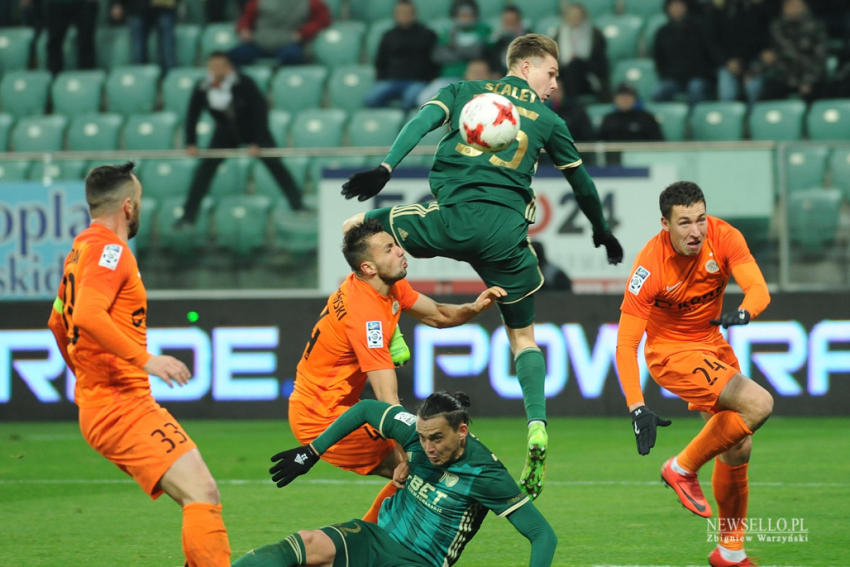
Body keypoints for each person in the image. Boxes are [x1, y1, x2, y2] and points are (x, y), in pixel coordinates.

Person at [340, 33, 624, 500]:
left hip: (450, 220)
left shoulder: (463, 92)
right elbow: (584, 183)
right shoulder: (550, 120)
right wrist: (601, 230)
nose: (554, 84)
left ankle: (387, 324)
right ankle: (536, 423)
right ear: (527, 66)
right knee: (523, 339)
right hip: (506, 238)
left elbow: (420, 122)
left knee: (358, 229)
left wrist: (385, 170)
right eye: (551, 73)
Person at [46, 163, 231, 566]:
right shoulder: (111, 251)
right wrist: (146, 360)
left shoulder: (82, 249)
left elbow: (57, 320)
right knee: (202, 492)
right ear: (128, 207)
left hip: (108, 402)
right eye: (141, 200)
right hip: (120, 404)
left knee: (197, 494)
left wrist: (86, 379)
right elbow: (87, 317)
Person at [290, 218, 507, 522]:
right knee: (417, 466)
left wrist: (473, 308)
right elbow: (388, 403)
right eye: (389, 249)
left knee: (420, 465)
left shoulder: (384, 285)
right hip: (321, 417)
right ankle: (365, 546)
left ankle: (369, 546)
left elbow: (438, 314)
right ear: (368, 268)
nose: (400, 251)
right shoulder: (367, 320)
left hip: (336, 405)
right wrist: (406, 453)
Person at [615, 181, 773, 567]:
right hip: (671, 353)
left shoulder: (724, 236)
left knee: (737, 447)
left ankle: (729, 553)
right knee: (759, 403)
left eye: (700, 219)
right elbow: (625, 345)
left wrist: (746, 311)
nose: (696, 231)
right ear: (664, 224)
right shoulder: (649, 265)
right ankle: (681, 467)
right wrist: (637, 406)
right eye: (684, 222)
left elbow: (758, 288)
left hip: (712, 345)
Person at [234, 392, 557, 566]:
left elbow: (543, 534)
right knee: (307, 542)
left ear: (462, 432)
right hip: (375, 538)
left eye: (437, 439)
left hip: (418, 560)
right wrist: (312, 452)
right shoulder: (418, 434)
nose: (428, 448)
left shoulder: (486, 474)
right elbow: (366, 409)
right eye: (422, 437)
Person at [176, 51, 304, 227]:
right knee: (205, 170)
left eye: (218, 66)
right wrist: (191, 142)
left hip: (253, 130)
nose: (214, 70)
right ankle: (189, 215)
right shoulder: (203, 86)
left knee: (276, 165)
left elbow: (260, 112)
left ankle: (297, 203)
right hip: (224, 132)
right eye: (211, 66)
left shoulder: (245, 82)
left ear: (229, 67)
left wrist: (258, 141)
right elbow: (192, 114)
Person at [363, 0, 438, 112]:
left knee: (410, 101)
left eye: (407, 12)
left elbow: (434, 61)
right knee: (370, 100)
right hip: (392, 80)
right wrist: (382, 79)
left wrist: (428, 80)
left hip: (417, 81)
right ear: (395, 14)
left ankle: (402, 122)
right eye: (401, 12)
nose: (404, 15)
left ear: (414, 14)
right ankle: (392, 117)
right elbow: (380, 61)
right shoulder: (388, 35)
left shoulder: (427, 34)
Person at [748, 0, 828, 103]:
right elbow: (769, 56)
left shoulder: (816, 27)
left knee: (815, 93)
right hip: (783, 76)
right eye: (789, 5)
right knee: (767, 92)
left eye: (796, 5)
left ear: (804, 7)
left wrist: (807, 81)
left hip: (809, 76)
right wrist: (753, 72)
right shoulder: (776, 27)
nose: (793, 9)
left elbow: (820, 59)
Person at [709, 0, 776, 102]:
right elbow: (712, 42)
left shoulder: (757, 8)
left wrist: (751, 67)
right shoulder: (718, 10)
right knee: (727, 94)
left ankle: (754, 116)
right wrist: (727, 61)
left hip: (754, 61)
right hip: (728, 62)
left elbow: (762, 38)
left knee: (753, 88)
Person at [230, 0, 330, 66]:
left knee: (292, 56)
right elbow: (247, 17)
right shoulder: (258, 1)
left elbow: (323, 19)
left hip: (288, 42)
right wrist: (244, 29)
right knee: (236, 55)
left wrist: (302, 34)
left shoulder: (310, 2)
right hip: (259, 42)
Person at [651, 0, 715, 104]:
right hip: (674, 78)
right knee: (658, 91)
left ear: (686, 7)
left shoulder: (699, 29)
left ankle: (694, 117)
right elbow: (659, 59)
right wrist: (667, 75)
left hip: (698, 77)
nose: (677, 9)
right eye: (673, 6)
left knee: (695, 88)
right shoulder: (662, 32)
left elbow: (708, 54)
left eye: (679, 6)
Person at [545, 1, 609, 101]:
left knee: (575, 65)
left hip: (588, 76)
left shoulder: (595, 35)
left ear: (584, 16)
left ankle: (571, 103)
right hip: (564, 76)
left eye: (578, 15)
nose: (575, 18)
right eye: (572, 15)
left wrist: (580, 62)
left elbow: (600, 64)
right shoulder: (559, 35)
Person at [110, 0, 177, 72]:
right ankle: (140, 79)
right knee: (138, 53)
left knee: (167, 52)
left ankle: (171, 79)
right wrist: (116, 3)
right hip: (137, 7)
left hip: (164, 7)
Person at [44, 0, 97, 74]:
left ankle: (86, 78)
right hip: (56, 3)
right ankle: (53, 79)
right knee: (54, 42)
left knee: (86, 42)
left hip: (84, 3)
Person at [598, 82, 663, 142]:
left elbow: (658, 143)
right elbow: (600, 144)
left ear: (635, 99)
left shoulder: (646, 118)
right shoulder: (608, 119)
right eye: (621, 97)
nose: (625, 100)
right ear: (615, 99)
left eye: (628, 97)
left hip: (642, 153)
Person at [487, 4, 526, 76]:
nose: (509, 26)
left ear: (519, 22)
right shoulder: (498, 40)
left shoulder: (528, 38)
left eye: (512, 22)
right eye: (507, 22)